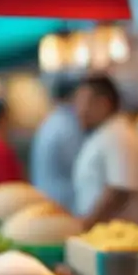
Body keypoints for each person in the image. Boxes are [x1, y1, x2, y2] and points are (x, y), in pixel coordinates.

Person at [72, 74, 138, 228]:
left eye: (83, 103)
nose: (79, 110)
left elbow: (120, 189)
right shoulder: (106, 133)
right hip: (105, 237)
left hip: (120, 241)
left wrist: (87, 224)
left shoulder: (119, 135)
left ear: (103, 104)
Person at [30, 76, 84, 211]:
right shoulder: (67, 124)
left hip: (47, 195)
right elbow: (78, 164)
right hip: (63, 201)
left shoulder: (49, 121)